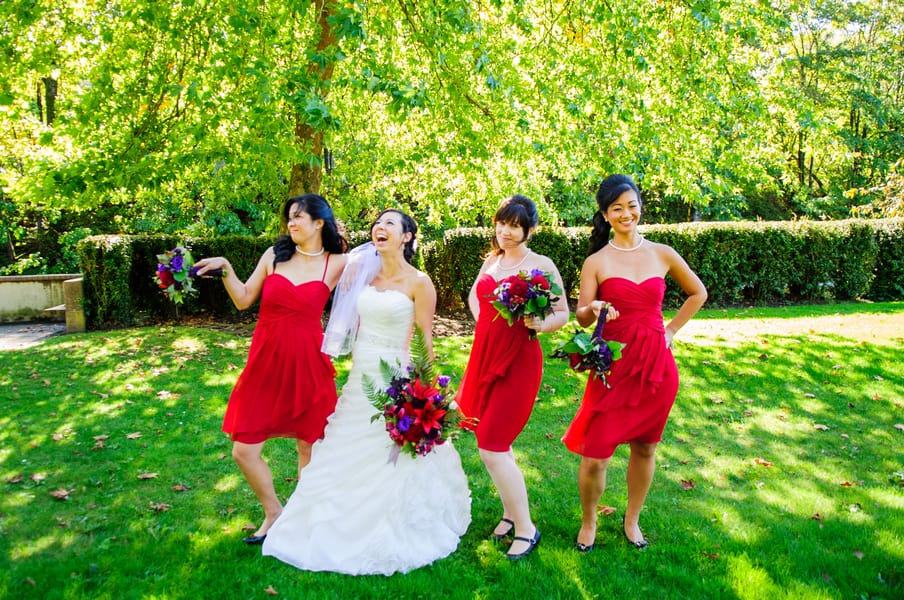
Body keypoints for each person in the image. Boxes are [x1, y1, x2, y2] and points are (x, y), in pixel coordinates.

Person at [262, 209, 471, 576]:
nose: (381, 227)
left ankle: (398, 518)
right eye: (378, 223)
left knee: (394, 452)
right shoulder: (359, 271)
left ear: (407, 237)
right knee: (344, 444)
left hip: (397, 378)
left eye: (391, 223)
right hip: (361, 376)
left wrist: (425, 391)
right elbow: (317, 267)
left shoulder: (420, 283)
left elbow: (425, 342)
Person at [562, 174, 707, 552]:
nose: (626, 213)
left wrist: (672, 330)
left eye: (631, 205)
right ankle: (589, 520)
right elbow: (581, 317)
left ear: (640, 206)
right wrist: (591, 309)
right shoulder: (596, 261)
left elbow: (698, 292)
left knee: (646, 448)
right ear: (605, 215)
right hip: (613, 367)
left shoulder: (662, 252)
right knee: (595, 456)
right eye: (617, 208)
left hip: (656, 366)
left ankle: (632, 519)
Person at [194, 194, 348, 544]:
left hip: (309, 364)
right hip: (265, 363)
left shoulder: (338, 263)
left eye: (299, 217)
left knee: (309, 447)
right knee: (243, 450)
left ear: (319, 223)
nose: (291, 223)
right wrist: (227, 270)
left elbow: (380, 274)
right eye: (289, 218)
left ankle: (304, 515)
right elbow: (244, 298)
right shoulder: (274, 256)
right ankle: (274, 511)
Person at [456, 195, 569, 560]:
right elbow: (476, 295)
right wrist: (486, 326)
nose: (505, 232)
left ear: (529, 229)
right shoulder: (492, 260)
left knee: (491, 444)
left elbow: (562, 312)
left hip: (519, 359)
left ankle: (526, 528)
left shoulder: (541, 264)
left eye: (514, 226)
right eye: (501, 223)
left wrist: (541, 322)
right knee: (492, 444)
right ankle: (509, 512)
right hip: (486, 354)